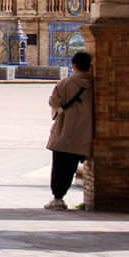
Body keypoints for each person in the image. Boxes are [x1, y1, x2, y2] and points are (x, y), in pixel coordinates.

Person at [45, 50, 94, 209]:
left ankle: (58, 198)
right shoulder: (94, 84)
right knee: (72, 166)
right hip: (84, 133)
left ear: (74, 66)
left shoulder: (65, 84)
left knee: (60, 167)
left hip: (64, 132)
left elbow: (54, 103)